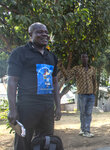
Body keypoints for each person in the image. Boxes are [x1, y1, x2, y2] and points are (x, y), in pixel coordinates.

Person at [7, 22, 61, 150]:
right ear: (30, 34)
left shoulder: (51, 56)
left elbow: (54, 82)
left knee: (46, 142)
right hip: (27, 107)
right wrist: (12, 109)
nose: (44, 35)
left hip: (47, 107)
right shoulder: (20, 53)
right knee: (23, 142)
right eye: (40, 32)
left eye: (46, 32)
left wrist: (58, 106)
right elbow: (12, 81)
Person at [69, 53, 97, 138]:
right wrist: (62, 67)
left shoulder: (92, 69)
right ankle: (83, 129)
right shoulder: (77, 69)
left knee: (88, 113)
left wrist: (94, 92)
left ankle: (86, 131)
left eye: (86, 57)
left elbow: (94, 81)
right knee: (82, 113)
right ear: (81, 59)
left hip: (91, 95)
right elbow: (68, 75)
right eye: (82, 57)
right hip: (82, 95)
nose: (84, 58)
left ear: (88, 58)